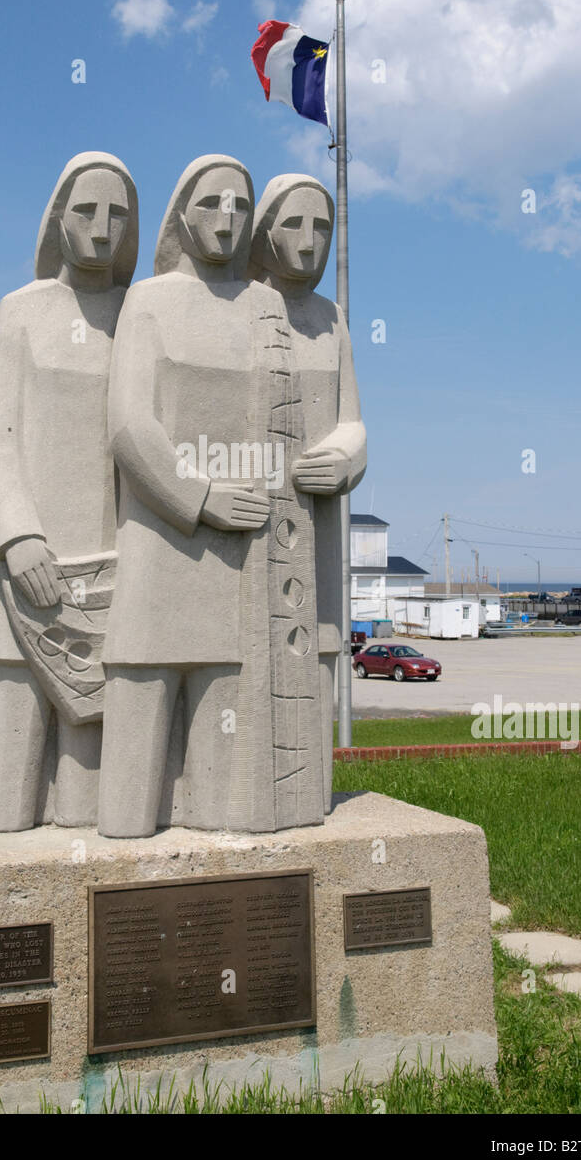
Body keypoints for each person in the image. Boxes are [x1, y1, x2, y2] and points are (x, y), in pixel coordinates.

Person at [97, 155, 274, 837]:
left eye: (240, 206)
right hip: (161, 545)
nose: (226, 219)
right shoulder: (149, 300)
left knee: (227, 800)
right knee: (129, 794)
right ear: (181, 215)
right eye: (210, 204)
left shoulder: (265, 310)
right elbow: (129, 424)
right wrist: (200, 496)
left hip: (241, 563)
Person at [0, 153, 138, 830]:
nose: (100, 229)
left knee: (87, 797)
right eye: (85, 211)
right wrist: (17, 537)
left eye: (117, 215)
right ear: (57, 218)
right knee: (9, 796)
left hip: (112, 573)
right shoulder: (21, 311)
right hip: (24, 569)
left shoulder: (139, 316)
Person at [247, 174, 367, 812]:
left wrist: (345, 458)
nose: (309, 239)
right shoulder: (241, 305)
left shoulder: (332, 319)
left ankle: (307, 799)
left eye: (321, 227)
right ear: (264, 232)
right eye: (294, 224)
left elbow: (355, 422)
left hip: (314, 536)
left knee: (317, 647)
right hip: (246, 530)